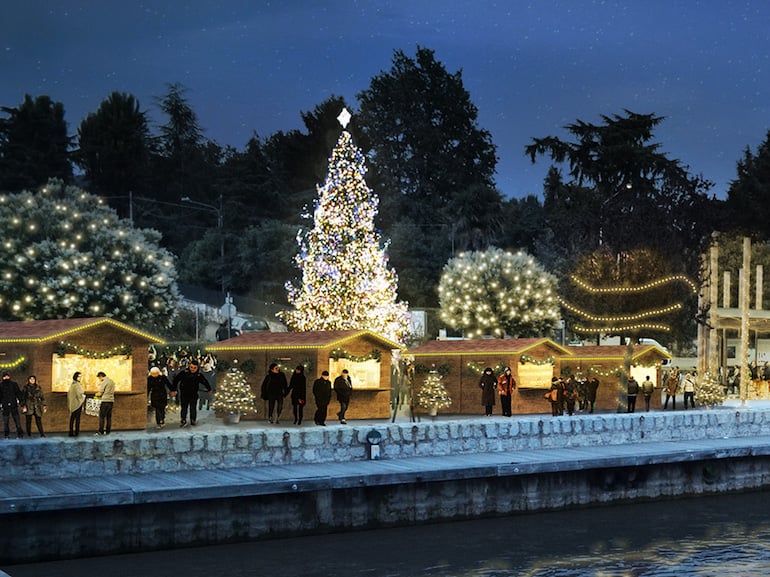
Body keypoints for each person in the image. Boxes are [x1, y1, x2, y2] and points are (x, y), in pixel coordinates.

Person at [173, 359, 211, 427]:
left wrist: (209, 388)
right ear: (189, 366)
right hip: (184, 393)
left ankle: (193, 419)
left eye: (194, 368)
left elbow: (204, 381)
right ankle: (183, 419)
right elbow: (176, 380)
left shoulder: (198, 375)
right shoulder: (184, 373)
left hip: (193, 394)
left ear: (197, 368)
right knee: (184, 408)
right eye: (191, 367)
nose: (192, 369)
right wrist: (173, 389)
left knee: (193, 408)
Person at [0, 372, 24, 439]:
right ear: (3, 378)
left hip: (13, 405)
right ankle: (6, 435)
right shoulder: (1, 385)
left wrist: (21, 402)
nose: (6, 378)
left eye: (7, 376)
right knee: (6, 422)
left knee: (17, 421)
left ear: (9, 377)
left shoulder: (14, 384)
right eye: (5, 377)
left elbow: (18, 393)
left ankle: (20, 434)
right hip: (5, 406)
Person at [95, 371, 116, 436]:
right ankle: (108, 431)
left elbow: (100, 393)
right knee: (109, 417)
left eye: (99, 378)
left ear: (101, 376)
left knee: (101, 417)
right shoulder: (112, 381)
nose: (99, 380)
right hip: (111, 401)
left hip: (105, 401)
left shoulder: (104, 382)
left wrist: (96, 394)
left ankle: (101, 431)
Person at [68, 372, 85, 437]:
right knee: (77, 419)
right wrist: (83, 397)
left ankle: (71, 431)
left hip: (72, 404)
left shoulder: (72, 384)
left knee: (72, 418)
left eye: (81, 376)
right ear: (76, 377)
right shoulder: (77, 385)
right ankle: (77, 432)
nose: (80, 378)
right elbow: (79, 395)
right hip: (77, 404)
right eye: (79, 376)